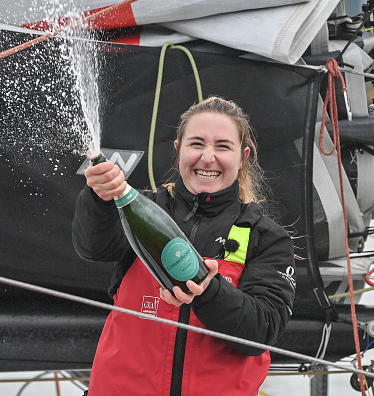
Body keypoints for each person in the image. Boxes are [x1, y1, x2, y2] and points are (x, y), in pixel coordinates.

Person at [72, 96, 296, 395]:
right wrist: (99, 199)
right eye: (197, 144)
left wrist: (207, 289)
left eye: (222, 146)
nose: (207, 157)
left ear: (243, 157)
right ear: (178, 150)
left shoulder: (267, 237)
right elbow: (92, 247)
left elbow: (261, 331)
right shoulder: (138, 208)